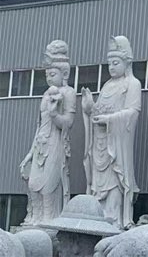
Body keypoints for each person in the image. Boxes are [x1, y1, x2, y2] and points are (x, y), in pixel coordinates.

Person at [81, 36, 141, 229]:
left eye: (116, 63)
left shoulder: (132, 84)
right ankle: (98, 221)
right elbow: (98, 111)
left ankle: (114, 221)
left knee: (115, 182)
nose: (112, 67)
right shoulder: (106, 86)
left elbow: (133, 112)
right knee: (97, 187)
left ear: (126, 63)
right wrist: (89, 108)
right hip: (100, 144)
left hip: (116, 146)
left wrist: (109, 120)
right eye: (109, 64)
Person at [20, 40, 76, 224]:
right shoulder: (45, 95)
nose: (49, 78)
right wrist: (30, 153)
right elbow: (39, 126)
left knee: (48, 186)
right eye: (47, 75)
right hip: (40, 144)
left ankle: (48, 220)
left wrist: (54, 114)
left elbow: (68, 122)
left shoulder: (68, 93)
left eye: (53, 74)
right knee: (33, 185)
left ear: (64, 73)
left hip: (55, 143)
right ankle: (34, 219)